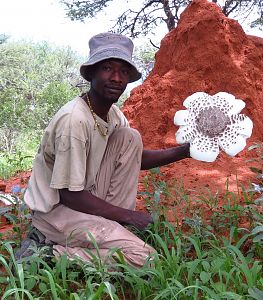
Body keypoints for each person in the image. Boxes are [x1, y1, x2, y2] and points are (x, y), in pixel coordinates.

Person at [18, 32, 190, 268]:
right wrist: (129, 216)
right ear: (91, 73)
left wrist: (185, 151)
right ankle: (46, 254)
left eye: (124, 71)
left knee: (130, 138)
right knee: (146, 259)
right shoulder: (74, 121)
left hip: (83, 199)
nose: (117, 78)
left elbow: (136, 158)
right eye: (108, 68)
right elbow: (70, 194)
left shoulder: (112, 114)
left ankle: (97, 233)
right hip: (58, 211)